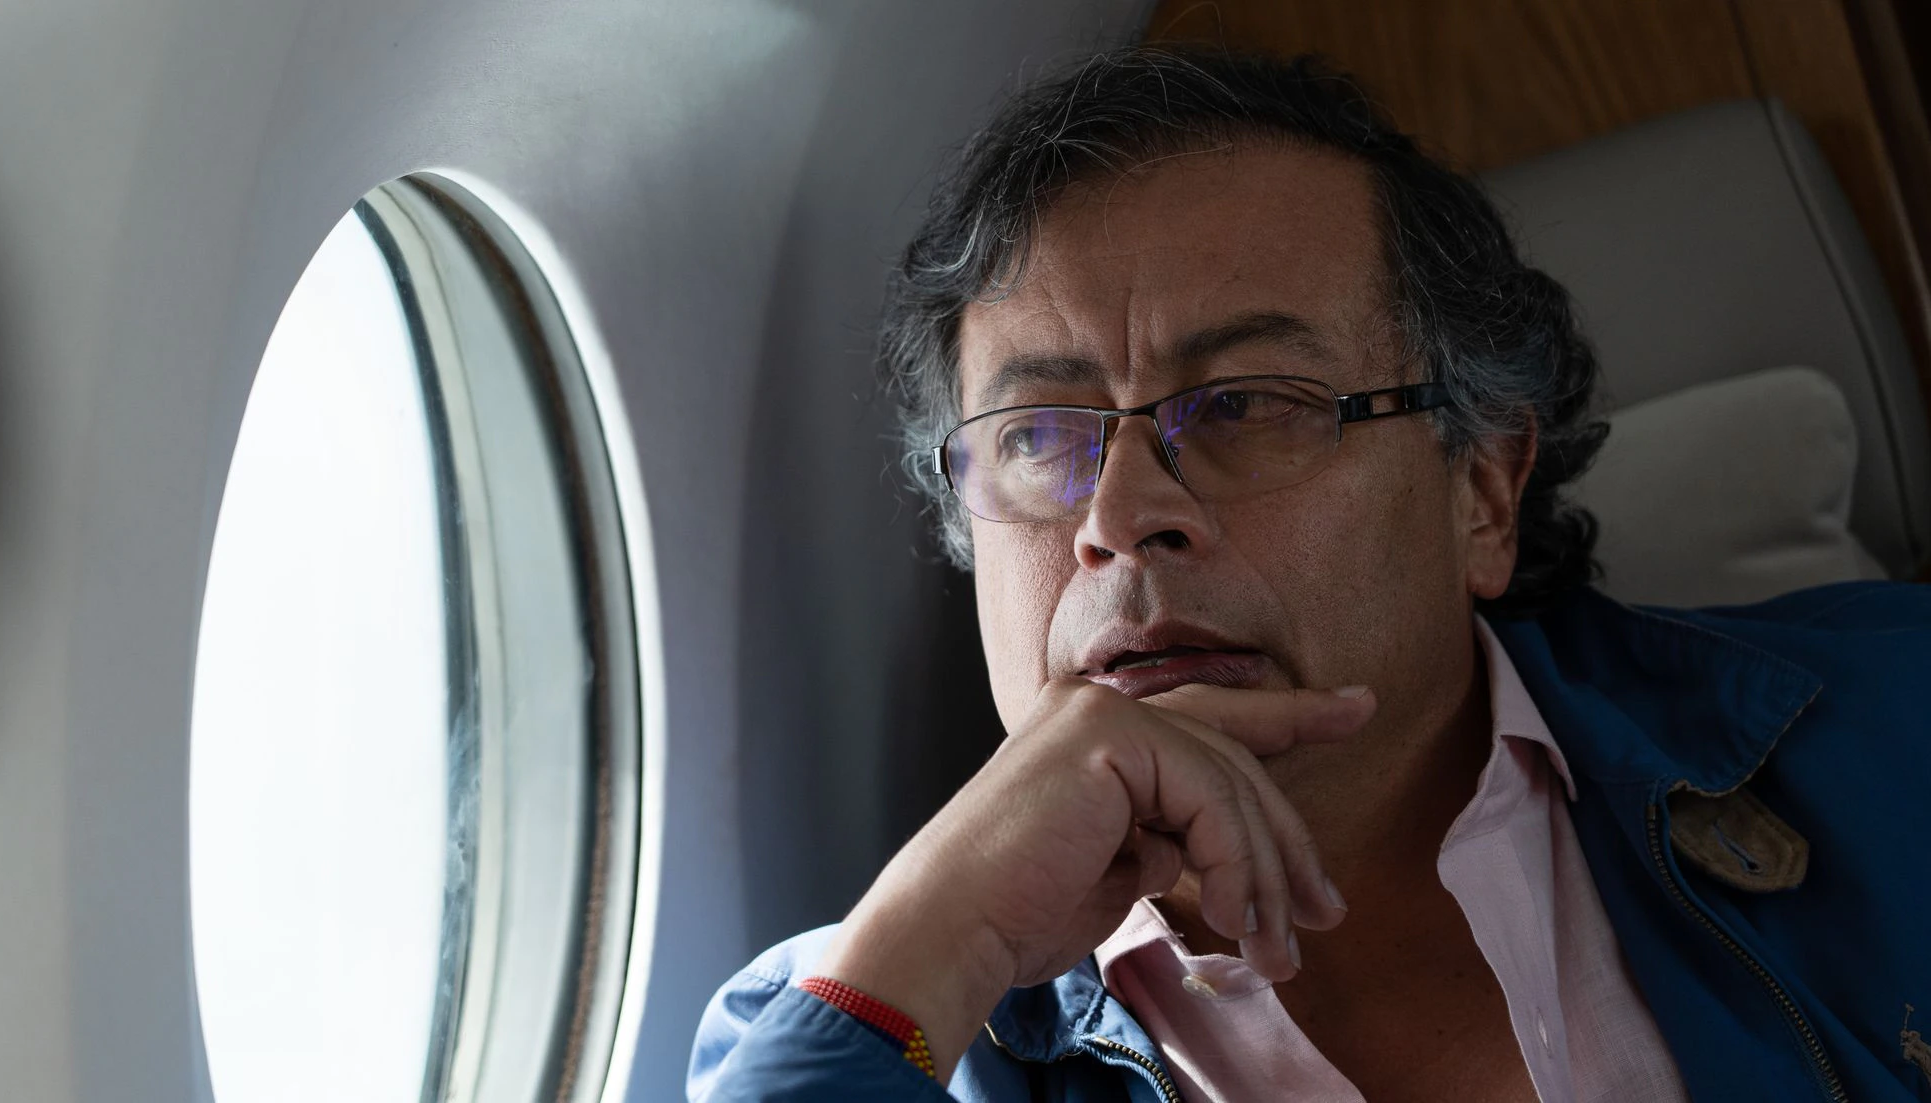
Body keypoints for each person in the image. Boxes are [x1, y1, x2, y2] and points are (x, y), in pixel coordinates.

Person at [689, 45, 1931, 1103]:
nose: (1119, 520)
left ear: (1482, 488)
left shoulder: (1899, 718)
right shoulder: (863, 1005)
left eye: (1245, 403)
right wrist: (943, 938)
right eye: (1038, 440)